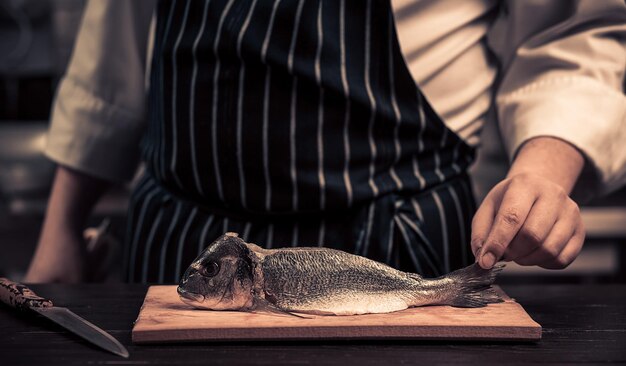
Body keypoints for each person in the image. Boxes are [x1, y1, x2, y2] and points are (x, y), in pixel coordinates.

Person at [24, 0, 626, 284]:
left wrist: (545, 173)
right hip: (185, 248)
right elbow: (114, 48)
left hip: (395, 244)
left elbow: (580, 30)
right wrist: (61, 231)